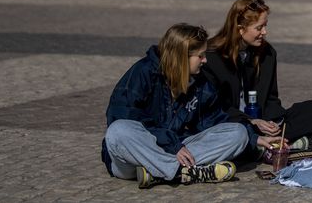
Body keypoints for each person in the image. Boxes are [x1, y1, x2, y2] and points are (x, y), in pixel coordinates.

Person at [101, 24, 249, 189]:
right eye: (200, 56)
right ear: (182, 57)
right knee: (118, 130)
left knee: (238, 133)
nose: (205, 60)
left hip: (176, 148)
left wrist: (255, 137)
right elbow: (120, 114)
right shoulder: (144, 72)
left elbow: (214, 120)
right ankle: (179, 171)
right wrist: (170, 144)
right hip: (137, 155)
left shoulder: (201, 82)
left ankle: (160, 173)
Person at [203, 0, 312, 159]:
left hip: (260, 121)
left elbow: (271, 97)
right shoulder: (211, 57)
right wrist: (251, 121)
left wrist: (272, 122)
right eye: (259, 28)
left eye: (265, 26)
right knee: (236, 132)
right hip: (233, 122)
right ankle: (272, 145)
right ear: (240, 29)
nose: (264, 32)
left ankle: (267, 145)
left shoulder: (267, 53)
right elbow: (214, 108)